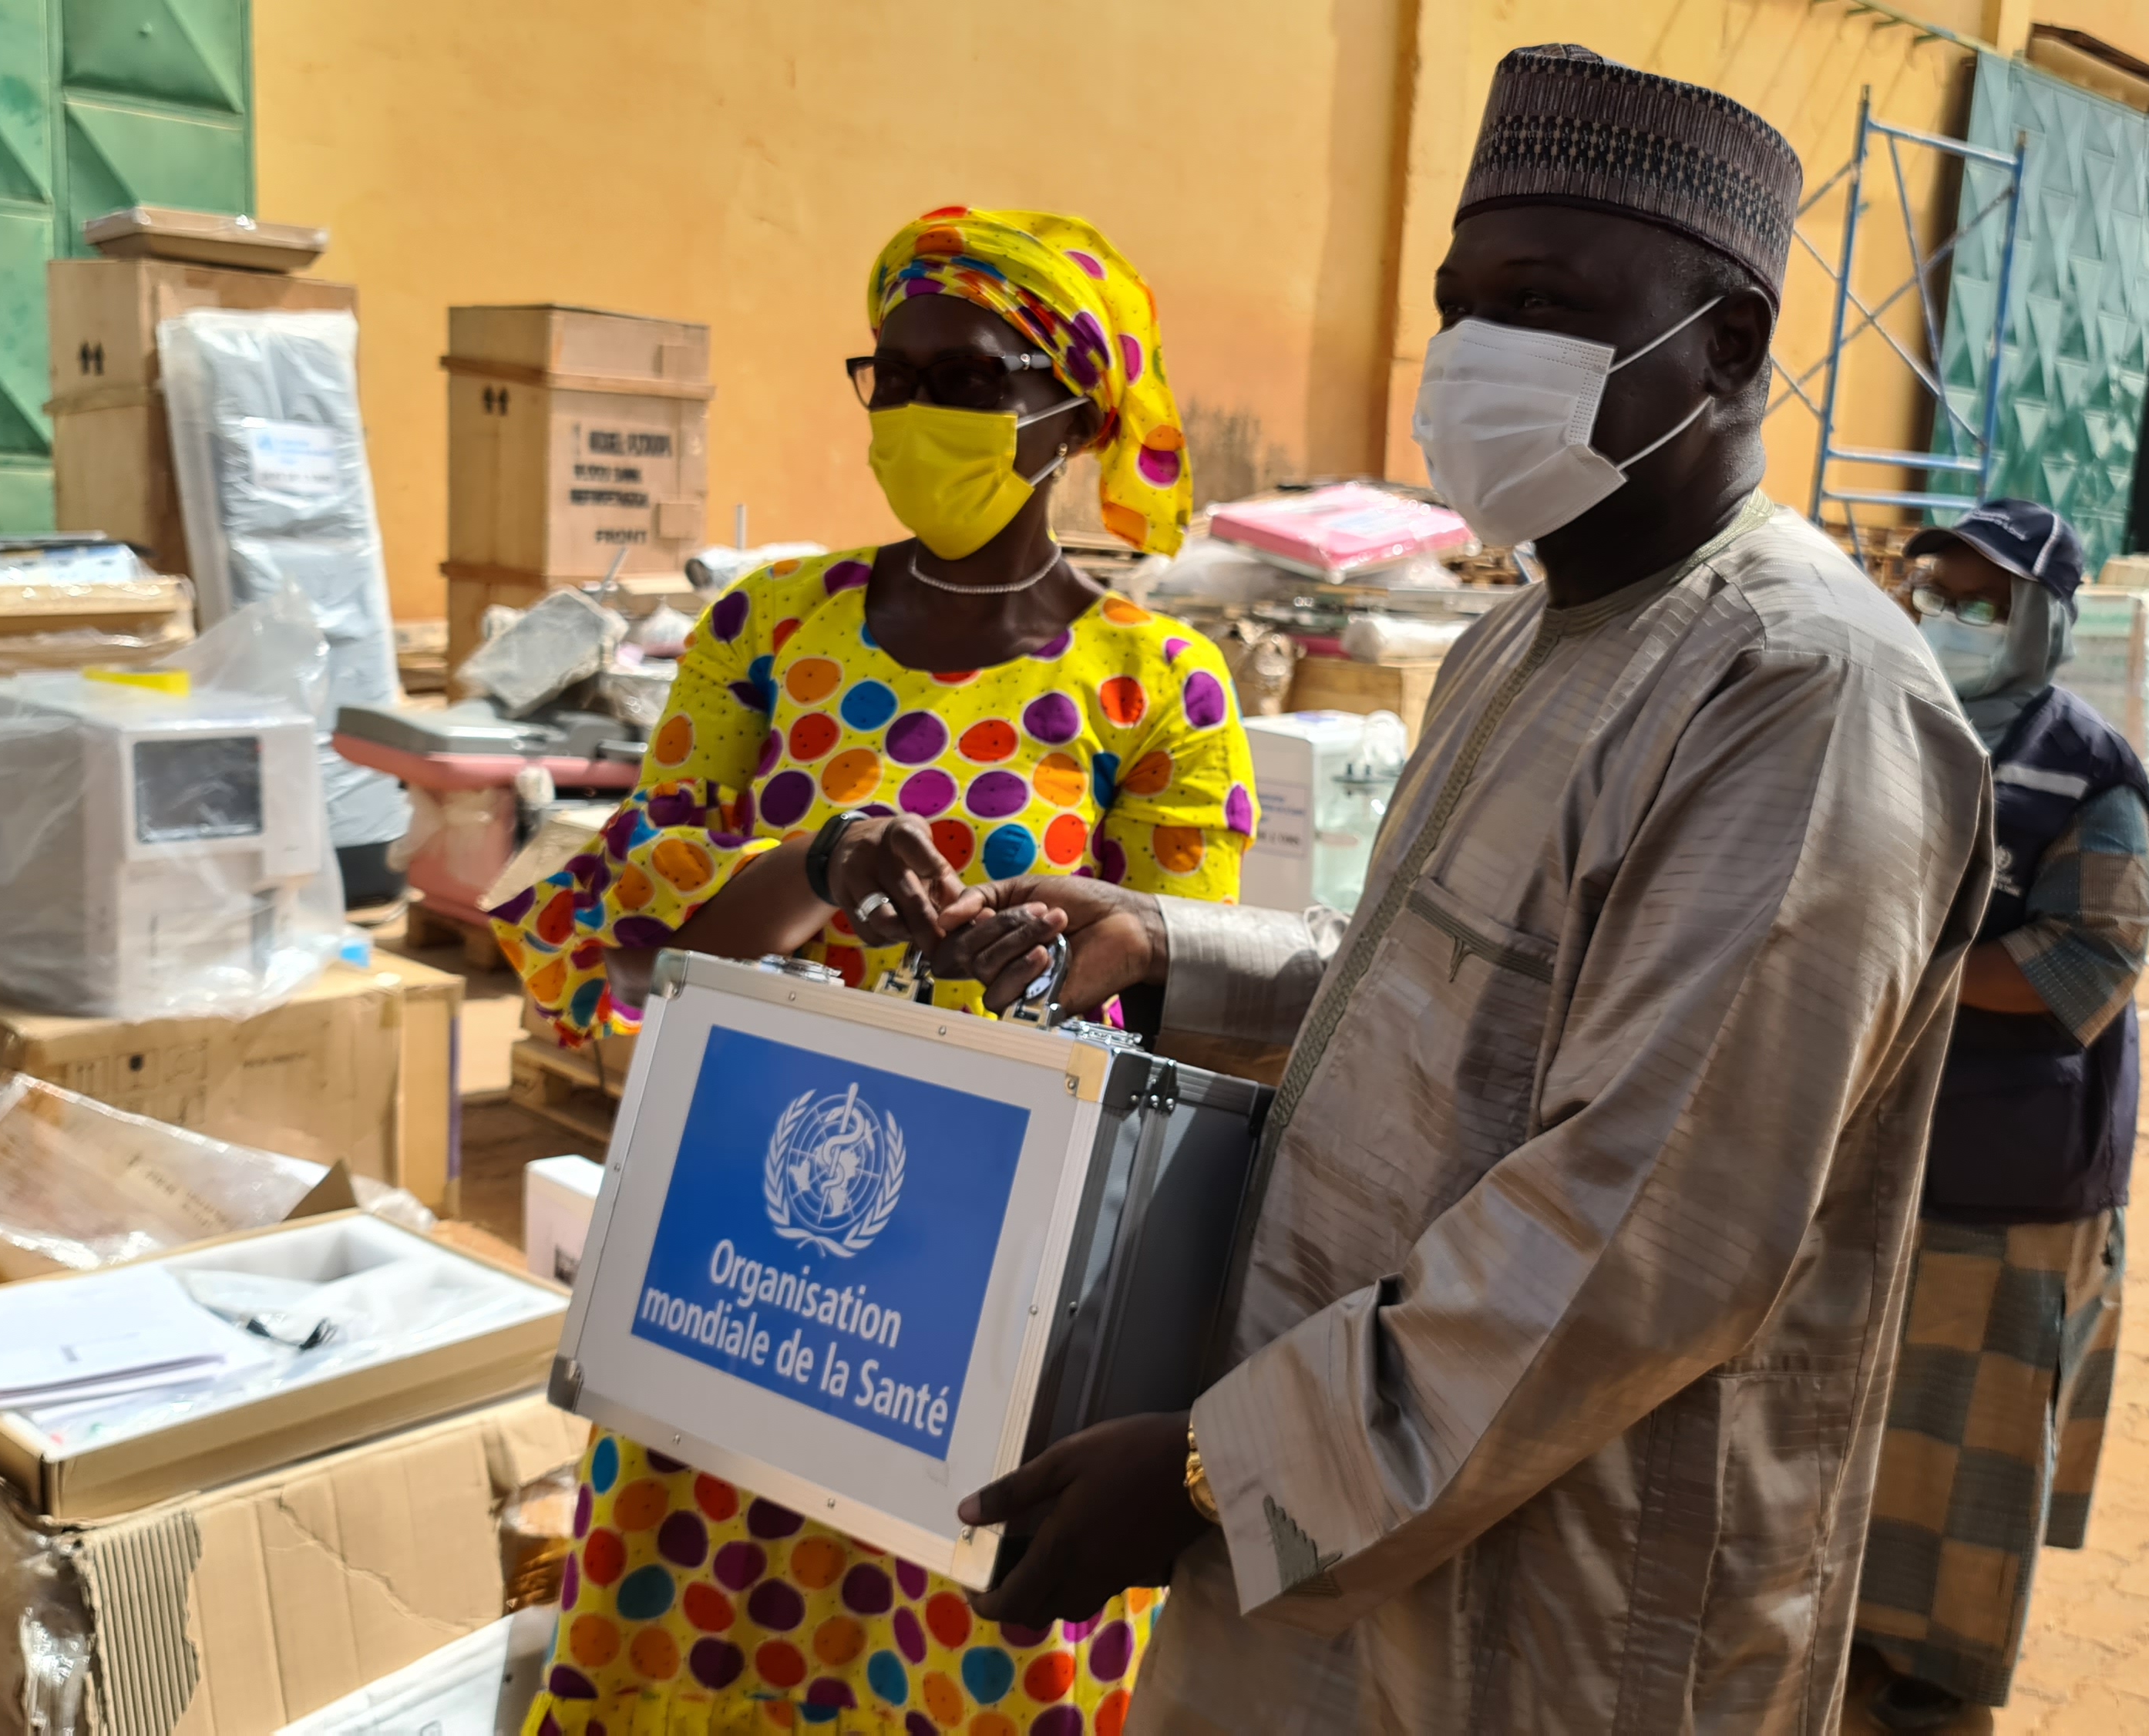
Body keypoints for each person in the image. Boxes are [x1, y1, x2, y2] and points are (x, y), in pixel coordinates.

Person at [909, 46, 1996, 1731]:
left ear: (1722, 345)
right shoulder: (1520, 633)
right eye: (1459, 301)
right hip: (1331, 1505)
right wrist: (1167, 948)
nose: (1474, 353)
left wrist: (1211, 1472)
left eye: (1542, 301)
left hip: (1554, 1602)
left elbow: (1639, 1227)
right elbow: (1436, 987)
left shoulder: (1799, 690)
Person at [493, 204, 1261, 1736]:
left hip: (983, 1296)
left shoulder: (1155, 684)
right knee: (710, 1625)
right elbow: (618, 945)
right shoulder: (766, 632)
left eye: (966, 380)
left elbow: (1192, 1038)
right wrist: (815, 866)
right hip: (735, 1267)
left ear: (1071, 409)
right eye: (891, 372)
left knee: (956, 1652)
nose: (915, 412)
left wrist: (1056, 966)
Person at [1854, 500, 2149, 1729]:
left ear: (2040, 621)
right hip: (1885, 1144)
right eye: (1937, 592)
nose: (1950, 619)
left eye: (1983, 603)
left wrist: (1907, 971)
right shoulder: (1885, 725)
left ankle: (1942, 1690)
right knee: (1870, 1421)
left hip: (2011, 1171)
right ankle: (1854, 1640)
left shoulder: (2089, 771)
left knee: (1965, 1451)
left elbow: (2093, 955)